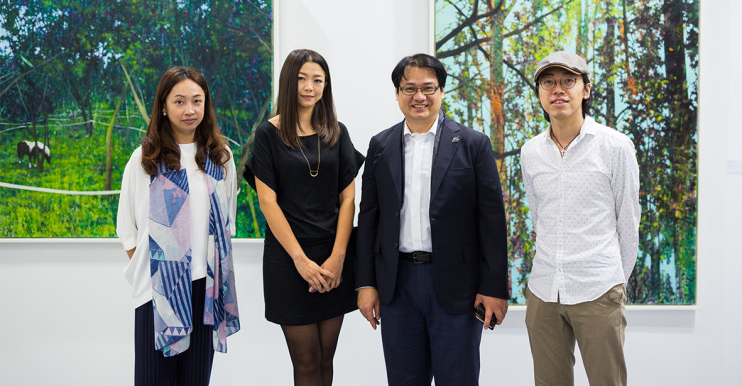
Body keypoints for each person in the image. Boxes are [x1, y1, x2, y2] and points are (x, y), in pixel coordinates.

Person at [356, 53, 510, 385]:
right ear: (397, 94)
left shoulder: (473, 144)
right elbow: (368, 218)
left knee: (458, 378)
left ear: (441, 91)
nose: (419, 97)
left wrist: (493, 286)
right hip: (397, 285)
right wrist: (366, 283)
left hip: (457, 286)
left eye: (428, 88)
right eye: (409, 89)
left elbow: (492, 220)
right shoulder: (380, 146)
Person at [243, 49, 364, 386]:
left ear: (326, 86)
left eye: (317, 80)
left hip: (332, 259)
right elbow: (268, 202)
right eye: (301, 78)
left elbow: (349, 197)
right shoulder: (269, 134)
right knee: (307, 363)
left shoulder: (337, 132)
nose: (309, 86)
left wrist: (339, 257)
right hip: (289, 260)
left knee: (327, 359)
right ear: (288, 81)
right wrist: (301, 261)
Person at [520, 50, 640, 386]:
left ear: (585, 90)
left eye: (568, 81)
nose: (557, 89)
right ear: (541, 94)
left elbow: (629, 223)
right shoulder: (530, 152)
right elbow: (538, 216)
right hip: (544, 291)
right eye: (548, 82)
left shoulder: (615, 146)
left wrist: (614, 282)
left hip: (598, 289)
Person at [116, 66, 240, 385]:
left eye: (197, 101)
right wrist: (162, 276)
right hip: (157, 293)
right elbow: (127, 230)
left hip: (206, 293)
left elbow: (226, 224)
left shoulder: (220, 159)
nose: (190, 110)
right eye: (180, 101)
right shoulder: (143, 160)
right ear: (163, 106)